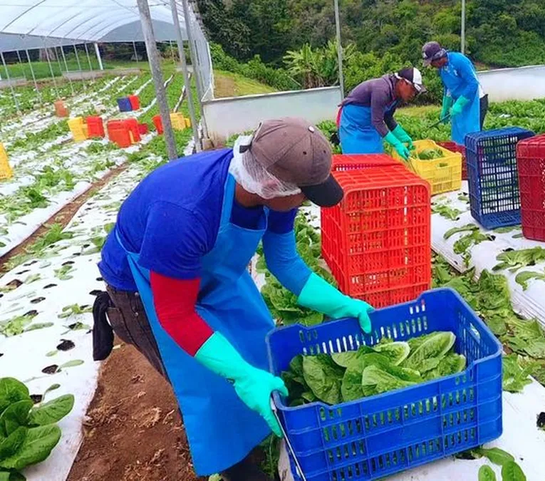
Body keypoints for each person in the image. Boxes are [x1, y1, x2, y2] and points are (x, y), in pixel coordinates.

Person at [93, 118, 374, 481]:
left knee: (257, 345)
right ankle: (236, 468)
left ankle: (255, 429)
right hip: (146, 289)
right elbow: (176, 314)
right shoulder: (185, 211)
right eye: (305, 193)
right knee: (210, 383)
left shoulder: (272, 187)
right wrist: (241, 377)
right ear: (273, 186)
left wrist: (343, 304)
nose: (306, 201)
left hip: (213, 270)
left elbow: (284, 261)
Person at [337, 67, 426, 157]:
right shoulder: (382, 90)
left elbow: (387, 117)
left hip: (371, 124)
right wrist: (396, 143)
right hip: (354, 124)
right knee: (356, 159)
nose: (413, 94)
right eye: (412, 89)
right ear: (403, 82)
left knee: (376, 158)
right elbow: (377, 122)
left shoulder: (398, 95)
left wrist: (402, 136)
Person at [422, 41, 488, 144]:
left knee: (472, 137)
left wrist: (459, 103)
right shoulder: (441, 69)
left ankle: (477, 159)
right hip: (459, 103)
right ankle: (462, 158)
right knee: (459, 134)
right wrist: (445, 107)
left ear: (438, 58)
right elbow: (448, 88)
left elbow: (473, 84)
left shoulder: (459, 61)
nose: (431, 65)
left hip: (475, 101)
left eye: (431, 62)